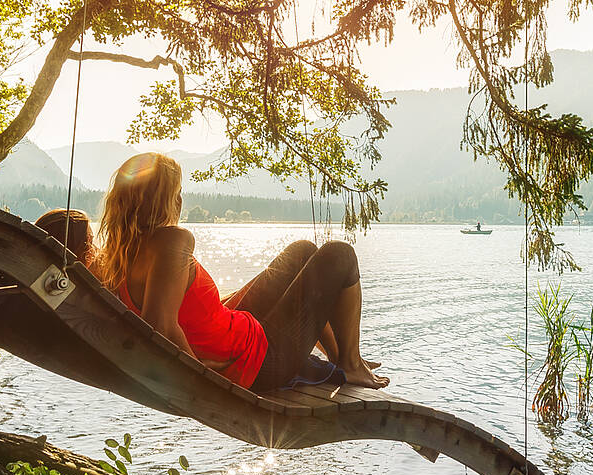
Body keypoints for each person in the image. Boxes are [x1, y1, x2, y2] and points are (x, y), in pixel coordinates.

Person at [89, 152, 386, 390]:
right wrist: (200, 377)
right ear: (161, 200)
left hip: (232, 337)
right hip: (257, 362)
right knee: (339, 255)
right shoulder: (172, 240)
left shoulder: (116, 257)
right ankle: (350, 363)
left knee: (303, 251)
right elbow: (161, 325)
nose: (180, 201)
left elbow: (167, 317)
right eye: (176, 193)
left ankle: (343, 359)